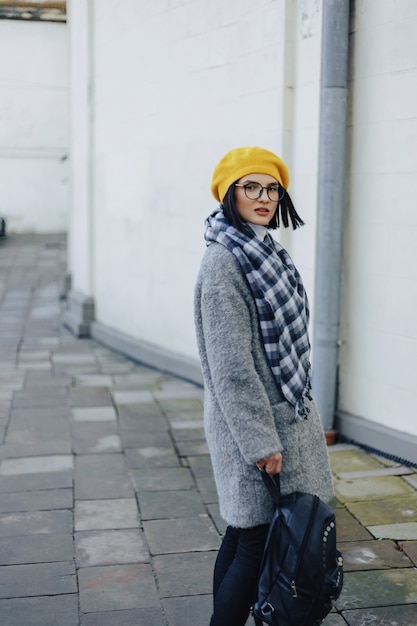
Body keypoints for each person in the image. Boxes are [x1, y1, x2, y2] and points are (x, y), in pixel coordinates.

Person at [194, 146, 334, 626]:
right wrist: (260, 442)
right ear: (229, 194)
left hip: (282, 418)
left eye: (271, 188)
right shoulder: (224, 263)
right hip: (254, 427)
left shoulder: (265, 250)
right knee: (254, 542)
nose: (263, 197)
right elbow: (231, 365)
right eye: (250, 187)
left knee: (244, 535)